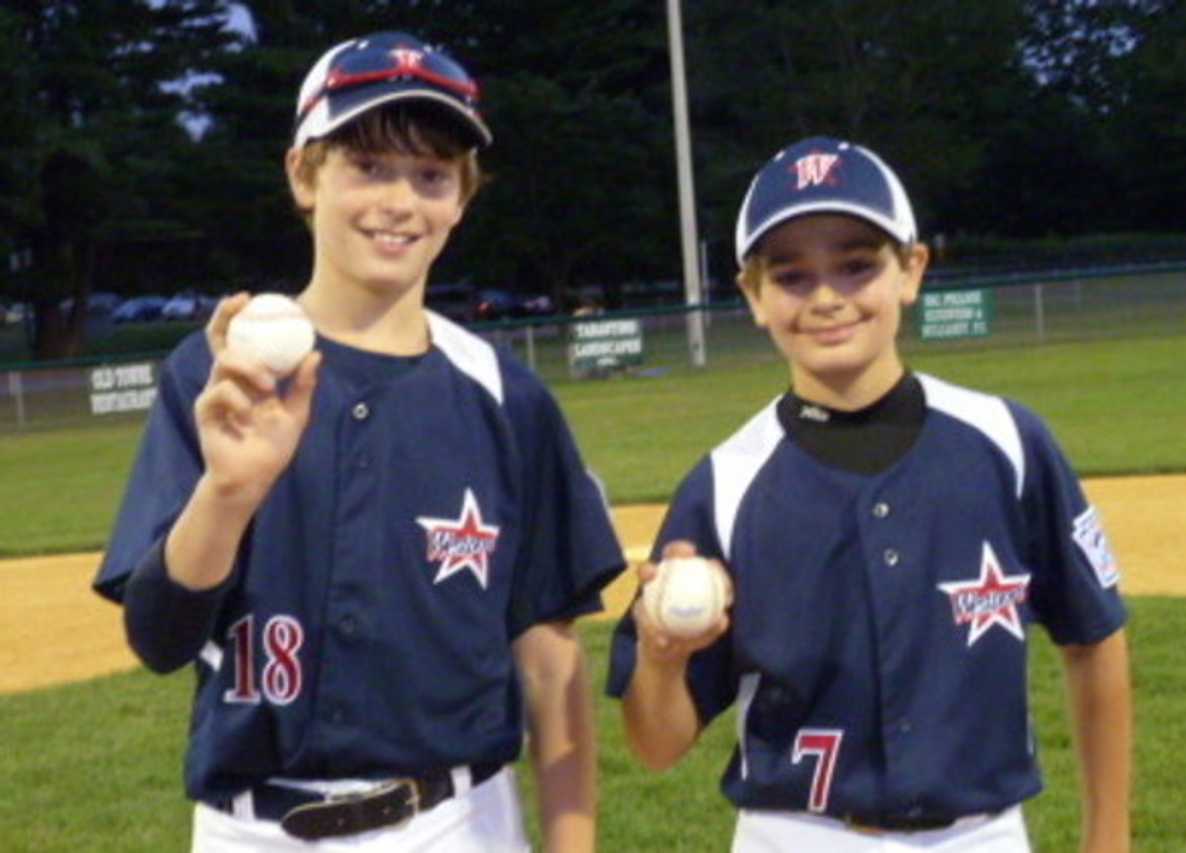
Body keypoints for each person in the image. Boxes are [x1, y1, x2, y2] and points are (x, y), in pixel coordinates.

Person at [94, 31, 625, 852]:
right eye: (369, 166)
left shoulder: (505, 397)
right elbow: (158, 639)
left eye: (432, 175)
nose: (401, 201)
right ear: (304, 175)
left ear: (461, 198)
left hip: (456, 824)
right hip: (250, 832)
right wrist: (228, 493)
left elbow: (552, 668)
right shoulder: (215, 373)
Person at [606, 136, 1131, 852]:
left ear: (912, 269)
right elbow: (658, 745)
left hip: (982, 835)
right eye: (791, 276)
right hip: (795, 833)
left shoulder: (1006, 443)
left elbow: (1094, 637)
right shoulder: (728, 482)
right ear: (753, 297)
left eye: (857, 266)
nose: (827, 298)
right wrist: (663, 658)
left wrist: (1109, 837)